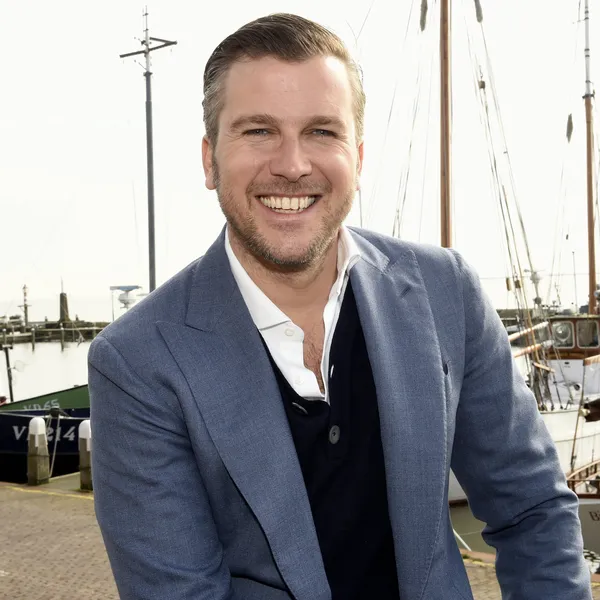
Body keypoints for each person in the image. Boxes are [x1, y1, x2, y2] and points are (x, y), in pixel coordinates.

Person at [88, 13, 592, 600]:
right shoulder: (138, 362)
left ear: (358, 156)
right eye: (258, 131)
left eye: (322, 132)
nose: (292, 164)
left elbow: (532, 508)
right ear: (210, 160)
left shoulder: (445, 293)